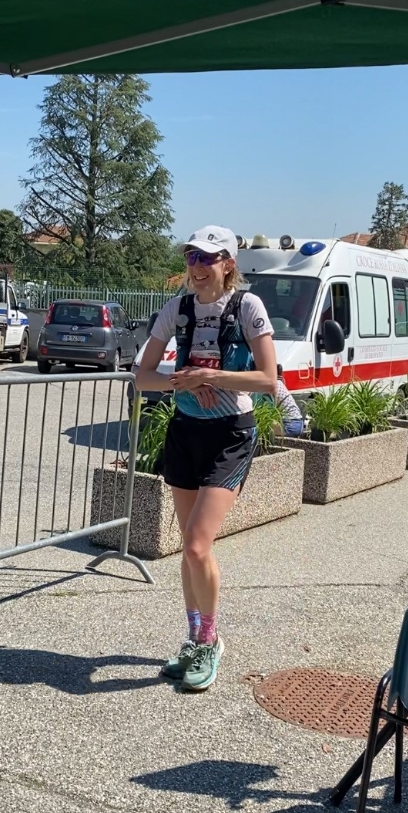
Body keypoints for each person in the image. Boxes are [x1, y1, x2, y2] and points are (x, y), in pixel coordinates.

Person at [135, 226, 277, 692]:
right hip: (185, 432)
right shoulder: (176, 309)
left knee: (197, 544)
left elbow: (267, 380)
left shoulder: (247, 307)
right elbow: (143, 379)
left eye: (208, 258)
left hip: (230, 436)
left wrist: (210, 378)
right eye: (192, 256)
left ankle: (211, 640)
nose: (197, 266)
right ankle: (194, 637)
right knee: (190, 550)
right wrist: (188, 381)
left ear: (228, 264)